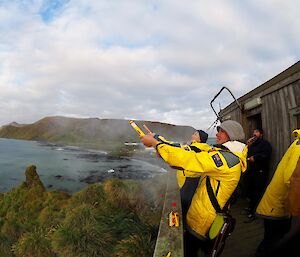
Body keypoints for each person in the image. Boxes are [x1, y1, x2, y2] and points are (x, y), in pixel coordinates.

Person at [141, 120, 247, 257]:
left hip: (203, 220)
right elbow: (185, 151)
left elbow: (189, 159)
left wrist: (156, 144)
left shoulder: (226, 159)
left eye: (222, 131)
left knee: (190, 249)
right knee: (199, 247)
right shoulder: (225, 153)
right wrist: (158, 140)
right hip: (203, 214)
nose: (217, 133)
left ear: (231, 135)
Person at [255, 129, 300, 257]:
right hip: (277, 207)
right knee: (272, 242)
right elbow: (290, 177)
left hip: (281, 206)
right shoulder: (299, 146)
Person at [176, 130, 209, 225]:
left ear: (200, 138)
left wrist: (157, 141)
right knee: (188, 201)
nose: (192, 135)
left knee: (185, 202)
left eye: (195, 134)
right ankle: (185, 223)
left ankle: (183, 225)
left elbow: (178, 150)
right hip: (191, 178)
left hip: (189, 179)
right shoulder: (198, 147)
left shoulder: (196, 148)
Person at [242, 128, 272, 223]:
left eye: (257, 132)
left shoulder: (265, 144)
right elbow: (245, 153)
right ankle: (250, 208)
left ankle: (254, 212)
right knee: (250, 190)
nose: (254, 134)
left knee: (257, 192)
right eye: (254, 132)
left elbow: (266, 154)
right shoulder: (252, 144)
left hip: (261, 171)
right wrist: (247, 145)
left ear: (261, 134)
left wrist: (255, 158)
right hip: (252, 171)